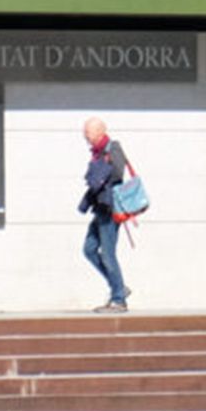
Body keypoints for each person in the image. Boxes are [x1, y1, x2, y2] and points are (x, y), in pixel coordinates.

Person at [79, 117, 131, 313]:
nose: (85, 135)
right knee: (89, 249)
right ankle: (119, 287)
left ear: (100, 131)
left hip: (110, 210)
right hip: (99, 208)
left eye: (88, 131)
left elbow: (117, 173)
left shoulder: (113, 148)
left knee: (108, 255)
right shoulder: (97, 153)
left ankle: (119, 300)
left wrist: (98, 175)